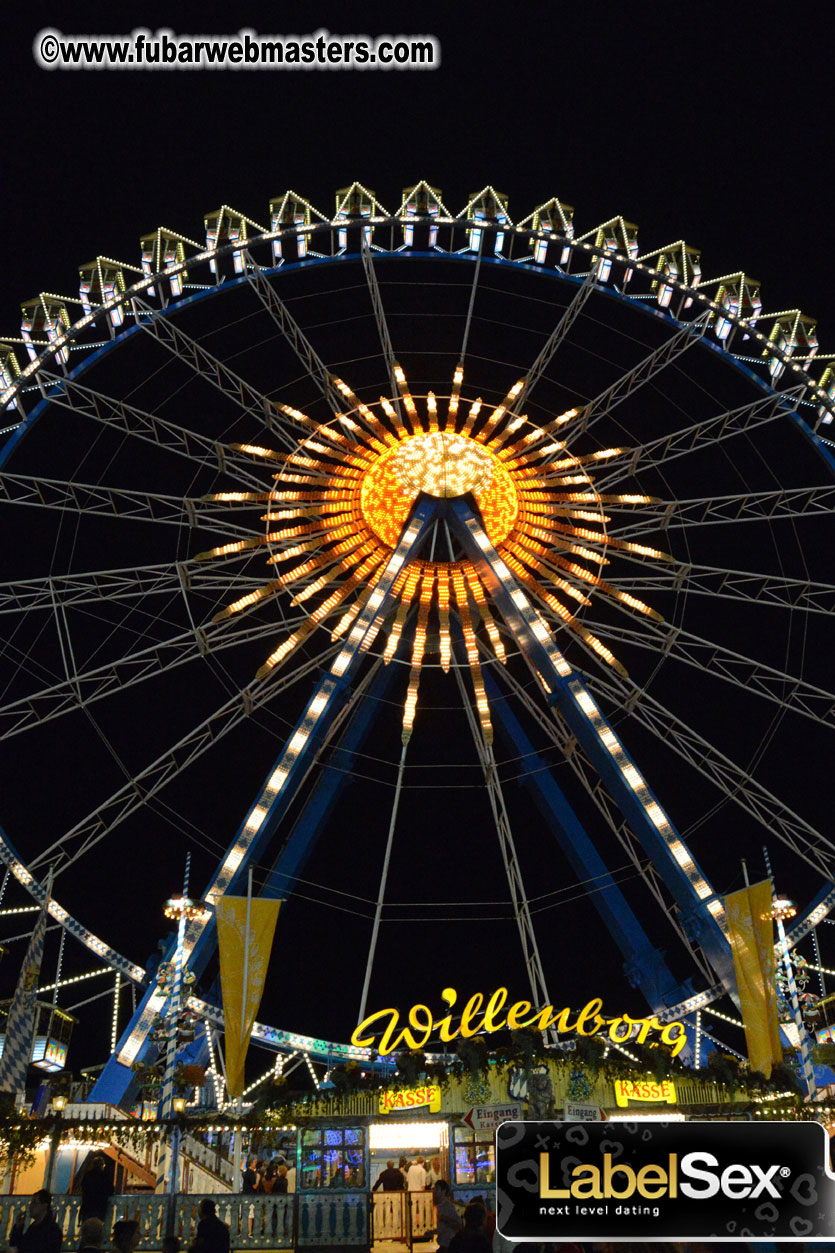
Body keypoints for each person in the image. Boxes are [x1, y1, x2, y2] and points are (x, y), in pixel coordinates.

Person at [79, 1158, 114, 1224]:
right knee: (97, 1226)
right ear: (101, 1165)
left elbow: (83, 1187)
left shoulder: (87, 1175)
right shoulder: (105, 1176)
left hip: (87, 1205)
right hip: (100, 1206)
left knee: (86, 1225)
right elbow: (111, 1190)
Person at [430, 1180, 462, 1251]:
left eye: (437, 1189)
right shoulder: (440, 1206)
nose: (434, 1191)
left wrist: (445, 1219)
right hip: (444, 1244)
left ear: (443, 1191)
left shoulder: (448, 1206)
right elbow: (442, 1229)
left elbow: (459, 1224)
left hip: (448, 1245)